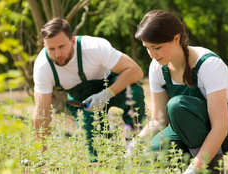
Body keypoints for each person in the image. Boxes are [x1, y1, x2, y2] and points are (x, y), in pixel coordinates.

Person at [134, 10, 228, 173]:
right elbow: (159, 120)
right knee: (151, 155)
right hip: (187, 127)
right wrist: (134, 145)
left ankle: (212, 168)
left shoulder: (208, 64)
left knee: (177, 106)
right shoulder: (157, 66)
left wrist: (194, 168)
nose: (152, 55)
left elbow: (220, 128)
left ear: (176, 38)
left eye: (157, 47)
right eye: (147, 48)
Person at [32, 18, 146, 155]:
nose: (57, 54)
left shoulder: (94, 47)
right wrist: (43, 155)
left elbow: (136, 71)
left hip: (110, 86)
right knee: (99, 153)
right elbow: (41, 114)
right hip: (83, 103)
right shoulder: (42, 66)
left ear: (73, 41)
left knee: (134, 92)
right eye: (51, 49)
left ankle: (135, 148)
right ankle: (110, 152)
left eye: (61, 47)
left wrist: (106, 94)